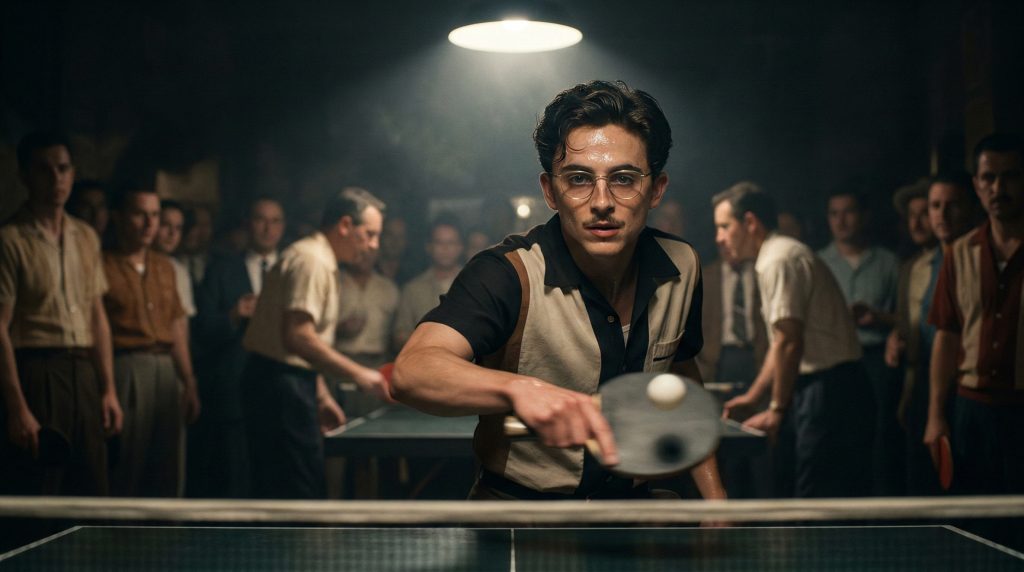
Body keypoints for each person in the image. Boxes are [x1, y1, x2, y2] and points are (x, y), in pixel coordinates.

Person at [391, 80, 726, 501]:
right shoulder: (507, 273)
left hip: (629, 509)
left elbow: (679, 376)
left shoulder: (683, 266)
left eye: (623, 179)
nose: (601, 201)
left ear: (656, 189)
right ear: (550, 191)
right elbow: (412, 371)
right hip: (518, 513)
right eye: (579, 179)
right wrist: (519, 389)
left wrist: (715, 498)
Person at [716, 183, 873, 498]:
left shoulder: (779, 259)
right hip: (822, 387)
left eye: (724, 226)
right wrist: (754, 397)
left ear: (750, 222)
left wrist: (776, 409)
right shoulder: (775, 255)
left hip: (830, 388)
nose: (719, 238)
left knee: (817, 495)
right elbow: (781, 341)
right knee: (808, 487)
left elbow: (789, 342)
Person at [241, 187, 389, 499]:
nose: (374, 245)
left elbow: (303, 343)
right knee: (296, 490)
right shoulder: (312, 260)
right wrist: (359, 374)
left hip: (288, 380)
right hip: (280, 385)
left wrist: (320, 396)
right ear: (345, 225)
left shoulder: (319, 258)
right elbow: (298, 336)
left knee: (296, 483)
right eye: (370, 234)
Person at [0, 131, 122, 495]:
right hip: (37, 369)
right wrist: (17, 406)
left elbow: (97, 316)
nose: (56, 179)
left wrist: (108, 388)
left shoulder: (86, 236)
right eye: (44, 170)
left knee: (91, 483)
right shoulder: (10, 240)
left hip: (81, 369)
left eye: (63, 169)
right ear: (25, 175)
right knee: (41, 485)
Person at [925, 133, 1024, 496]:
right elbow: (947, 335)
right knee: (976, 516)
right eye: (988, 178)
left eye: (1010, 177)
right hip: (972, 408)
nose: (998, 188)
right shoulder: (960, 253)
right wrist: (936, 414)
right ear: (977, 185)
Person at [103, 185, 201, 497]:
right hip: (127, 365)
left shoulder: (165, 267)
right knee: (128, 463)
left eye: (155, 215)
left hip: (166, 368)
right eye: (139, 214)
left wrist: (188, 380)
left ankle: (164, 526)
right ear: (119, 217)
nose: (149, 224)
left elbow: (176, 327)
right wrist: (107, 387)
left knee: (167, 466)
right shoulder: (103, 264)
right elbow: (98, 328)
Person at [190, 197, 286, 498]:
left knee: (278, 476)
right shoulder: (222, 270)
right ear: (248, 224)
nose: (267, 228)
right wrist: (233, 315)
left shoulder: (294, 269)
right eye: (260, 219)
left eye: (275, 221)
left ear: (283, 227)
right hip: (235, 388)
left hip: (283, 389)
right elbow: (202, 330)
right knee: (235, 476)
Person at [888, 172, 974, 495]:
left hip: (964, 385)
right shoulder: (920, 265)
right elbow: (913, 322)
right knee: (922, 481)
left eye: (951, 206)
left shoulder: (974, 257)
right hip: (923, 380)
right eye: (935, 206)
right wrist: (896, 336)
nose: (940, 215)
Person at [817, 188, 902, 495]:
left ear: (864, 216)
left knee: (878, 436)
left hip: (876, 360)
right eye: (834, 213)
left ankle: (879, 504)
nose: (841, 220)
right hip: (834, 362)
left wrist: (879, 318)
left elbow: (908, 318)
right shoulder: (818, 262)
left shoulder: (889, 262)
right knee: (836, 436)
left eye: (848, 212)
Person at [696, 241, 769, 498]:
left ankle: (764, 507)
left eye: (727, 228)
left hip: (756, 361)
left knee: (760, 446)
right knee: (723, 446)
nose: (722, 239)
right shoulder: (706, 275)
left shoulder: (763, 271)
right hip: (719, 363)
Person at [392, 215, 465, 350]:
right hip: (421, 360)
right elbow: (399, 335)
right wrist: (428, 345)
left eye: (451, 243)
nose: (445, 248)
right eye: (439, 242)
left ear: (460, 247)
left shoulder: (473, 285)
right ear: (429, 247)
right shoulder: (412, 289)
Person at [154, 199, 196, 318]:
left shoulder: (180, 271)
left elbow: (183, 320)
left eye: (178, 228)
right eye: (165, 225)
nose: (172, 233)